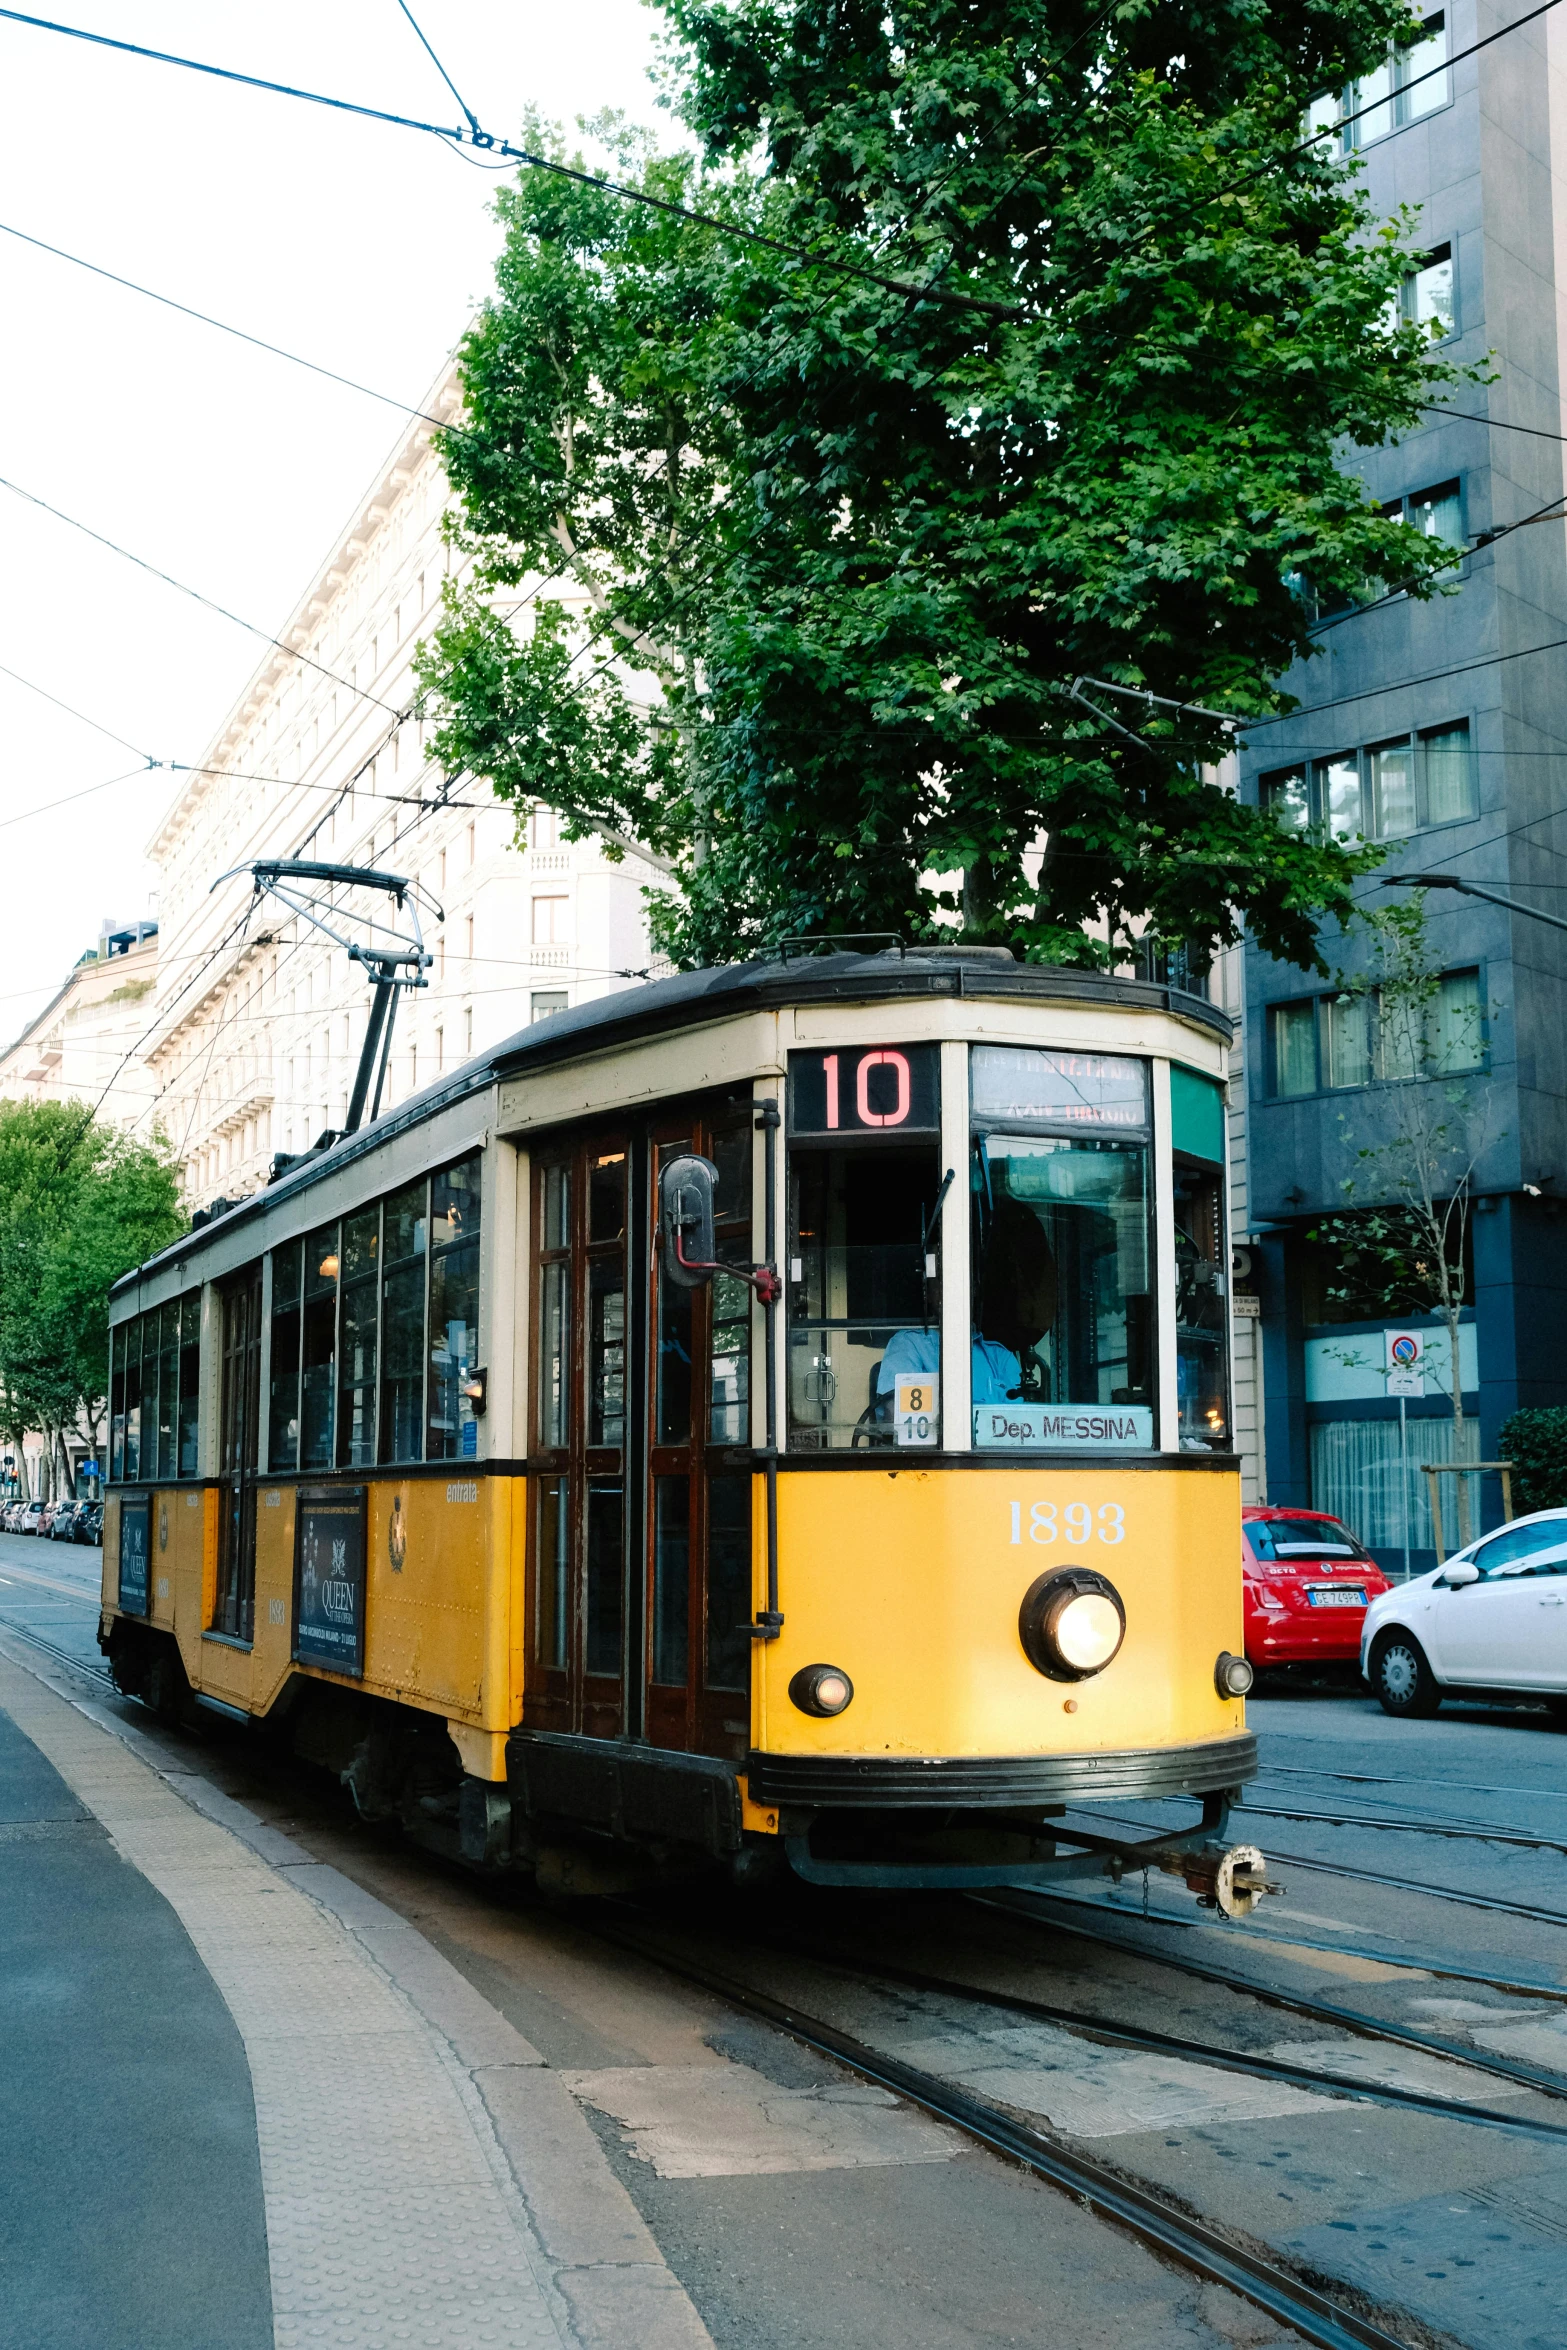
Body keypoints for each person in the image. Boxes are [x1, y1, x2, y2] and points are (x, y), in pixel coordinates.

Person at [875, 1198, 1060, 1407]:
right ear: (928, 1292)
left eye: (961, 1280)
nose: (952, 1289)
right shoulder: (908, 1345)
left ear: (973, 1290)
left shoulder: (1000, 1356)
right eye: (941, 1280)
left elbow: (1016, 1428)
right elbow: (896, 1418)